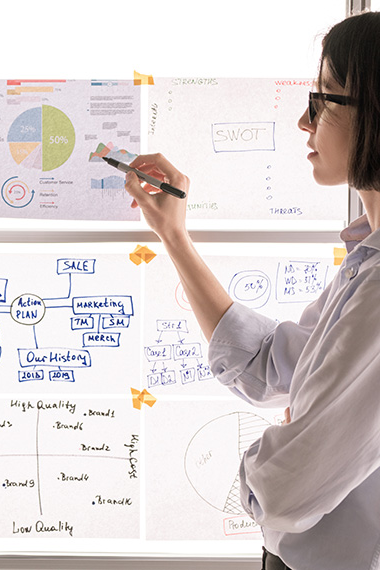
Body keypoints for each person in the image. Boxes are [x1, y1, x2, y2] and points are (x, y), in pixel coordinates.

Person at [124, 11, 380, 570]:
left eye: (323, 101)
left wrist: (263, 463)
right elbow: (272, 367)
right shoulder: (366, 261)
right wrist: (173, 235)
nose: (302, 123)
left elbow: (290, 489)